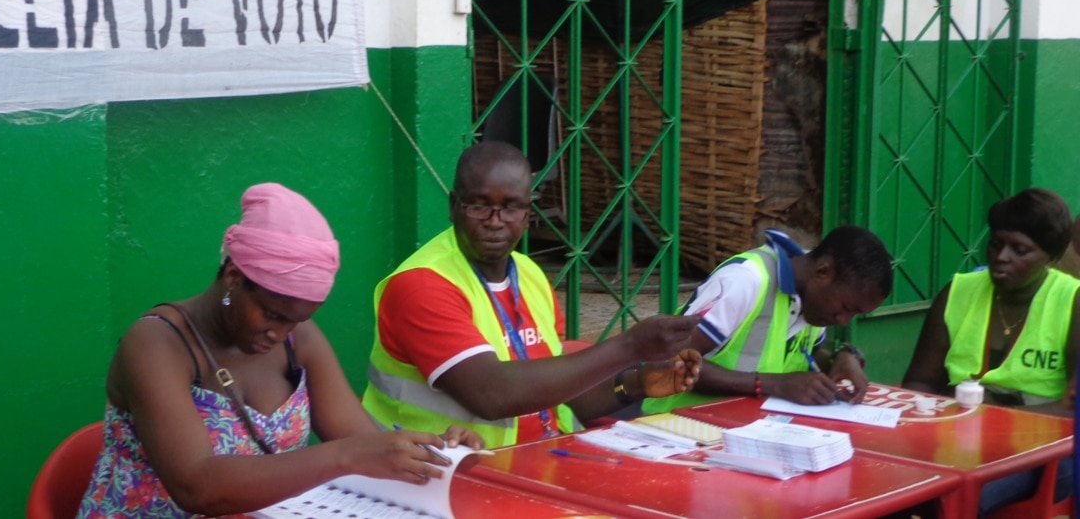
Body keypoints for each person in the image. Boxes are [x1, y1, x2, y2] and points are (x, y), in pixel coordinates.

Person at [77, 183, 484, 519]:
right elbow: (196, 487)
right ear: (234, 276)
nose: (280, 333)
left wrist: (435, 450)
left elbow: (361, 440)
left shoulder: (296, 338)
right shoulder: (156, 344)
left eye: (297, 319)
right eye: (272, 314)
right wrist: (344, 456)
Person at [362, 141, 703, 447]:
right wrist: (630, 347)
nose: (495, 221)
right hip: (440, 473)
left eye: (511, 208)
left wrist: (636, 383)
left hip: (537, 458)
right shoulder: (422, 284)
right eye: (479, 206)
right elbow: (492, 395)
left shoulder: (529, 274)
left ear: (528, 214)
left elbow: (560, 395)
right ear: (454, 207)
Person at [901, 188, 1079, 516]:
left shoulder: (1072, 302)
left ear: (1051, 258)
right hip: (954, 440)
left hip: (1043, 453)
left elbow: (1075, 409)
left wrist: (994, 417)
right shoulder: (958, 292)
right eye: (996, 244)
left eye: (1020, 250)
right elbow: (919, 383)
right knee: (901, 492)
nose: (1001, 257)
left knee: (958, 496)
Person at [642, 225, 894, 414]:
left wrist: (841, 357)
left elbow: (805, 358)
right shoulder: (746, 281)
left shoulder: (814, 302)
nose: (843, 321)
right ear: (823, 272)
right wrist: (773, 384)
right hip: (672, 428)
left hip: (745, 433)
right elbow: (671, 362)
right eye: (846, 308)